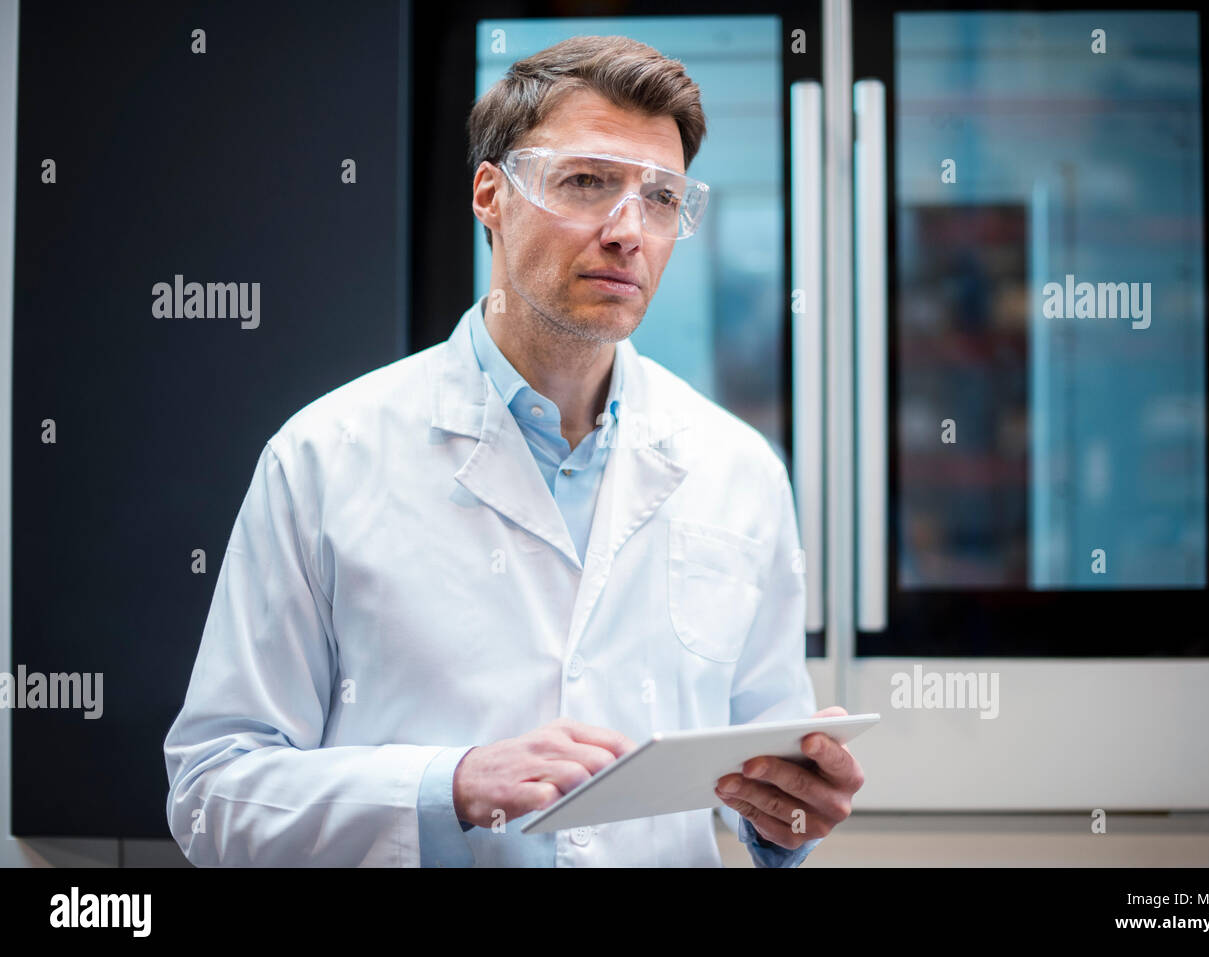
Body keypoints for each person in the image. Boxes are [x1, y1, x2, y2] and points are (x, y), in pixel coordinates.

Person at [163, 34, 863, 867]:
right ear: (490, 194)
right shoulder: (323, 457)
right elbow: (211, 793)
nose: (627, 230)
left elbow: (768, 771)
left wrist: (784, 820)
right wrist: (447, 786)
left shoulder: (739, 470)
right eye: (587, 181)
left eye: (662, 198)